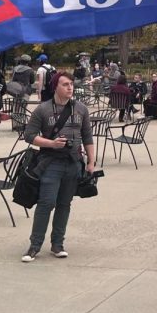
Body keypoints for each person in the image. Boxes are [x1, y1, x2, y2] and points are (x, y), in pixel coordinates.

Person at [20, 72, 95, 262]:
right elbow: (29, 135)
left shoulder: (81, 109)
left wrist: (91, 162)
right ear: (56, 87)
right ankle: (34, 245)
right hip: (51, 162)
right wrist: (51, 143)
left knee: (64, 204)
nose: (70, 87)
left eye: (71, 84)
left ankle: (57, 244)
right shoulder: (43, 109)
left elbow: (87, 137)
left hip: (73, 163)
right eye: (65, 84)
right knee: (46, 203)